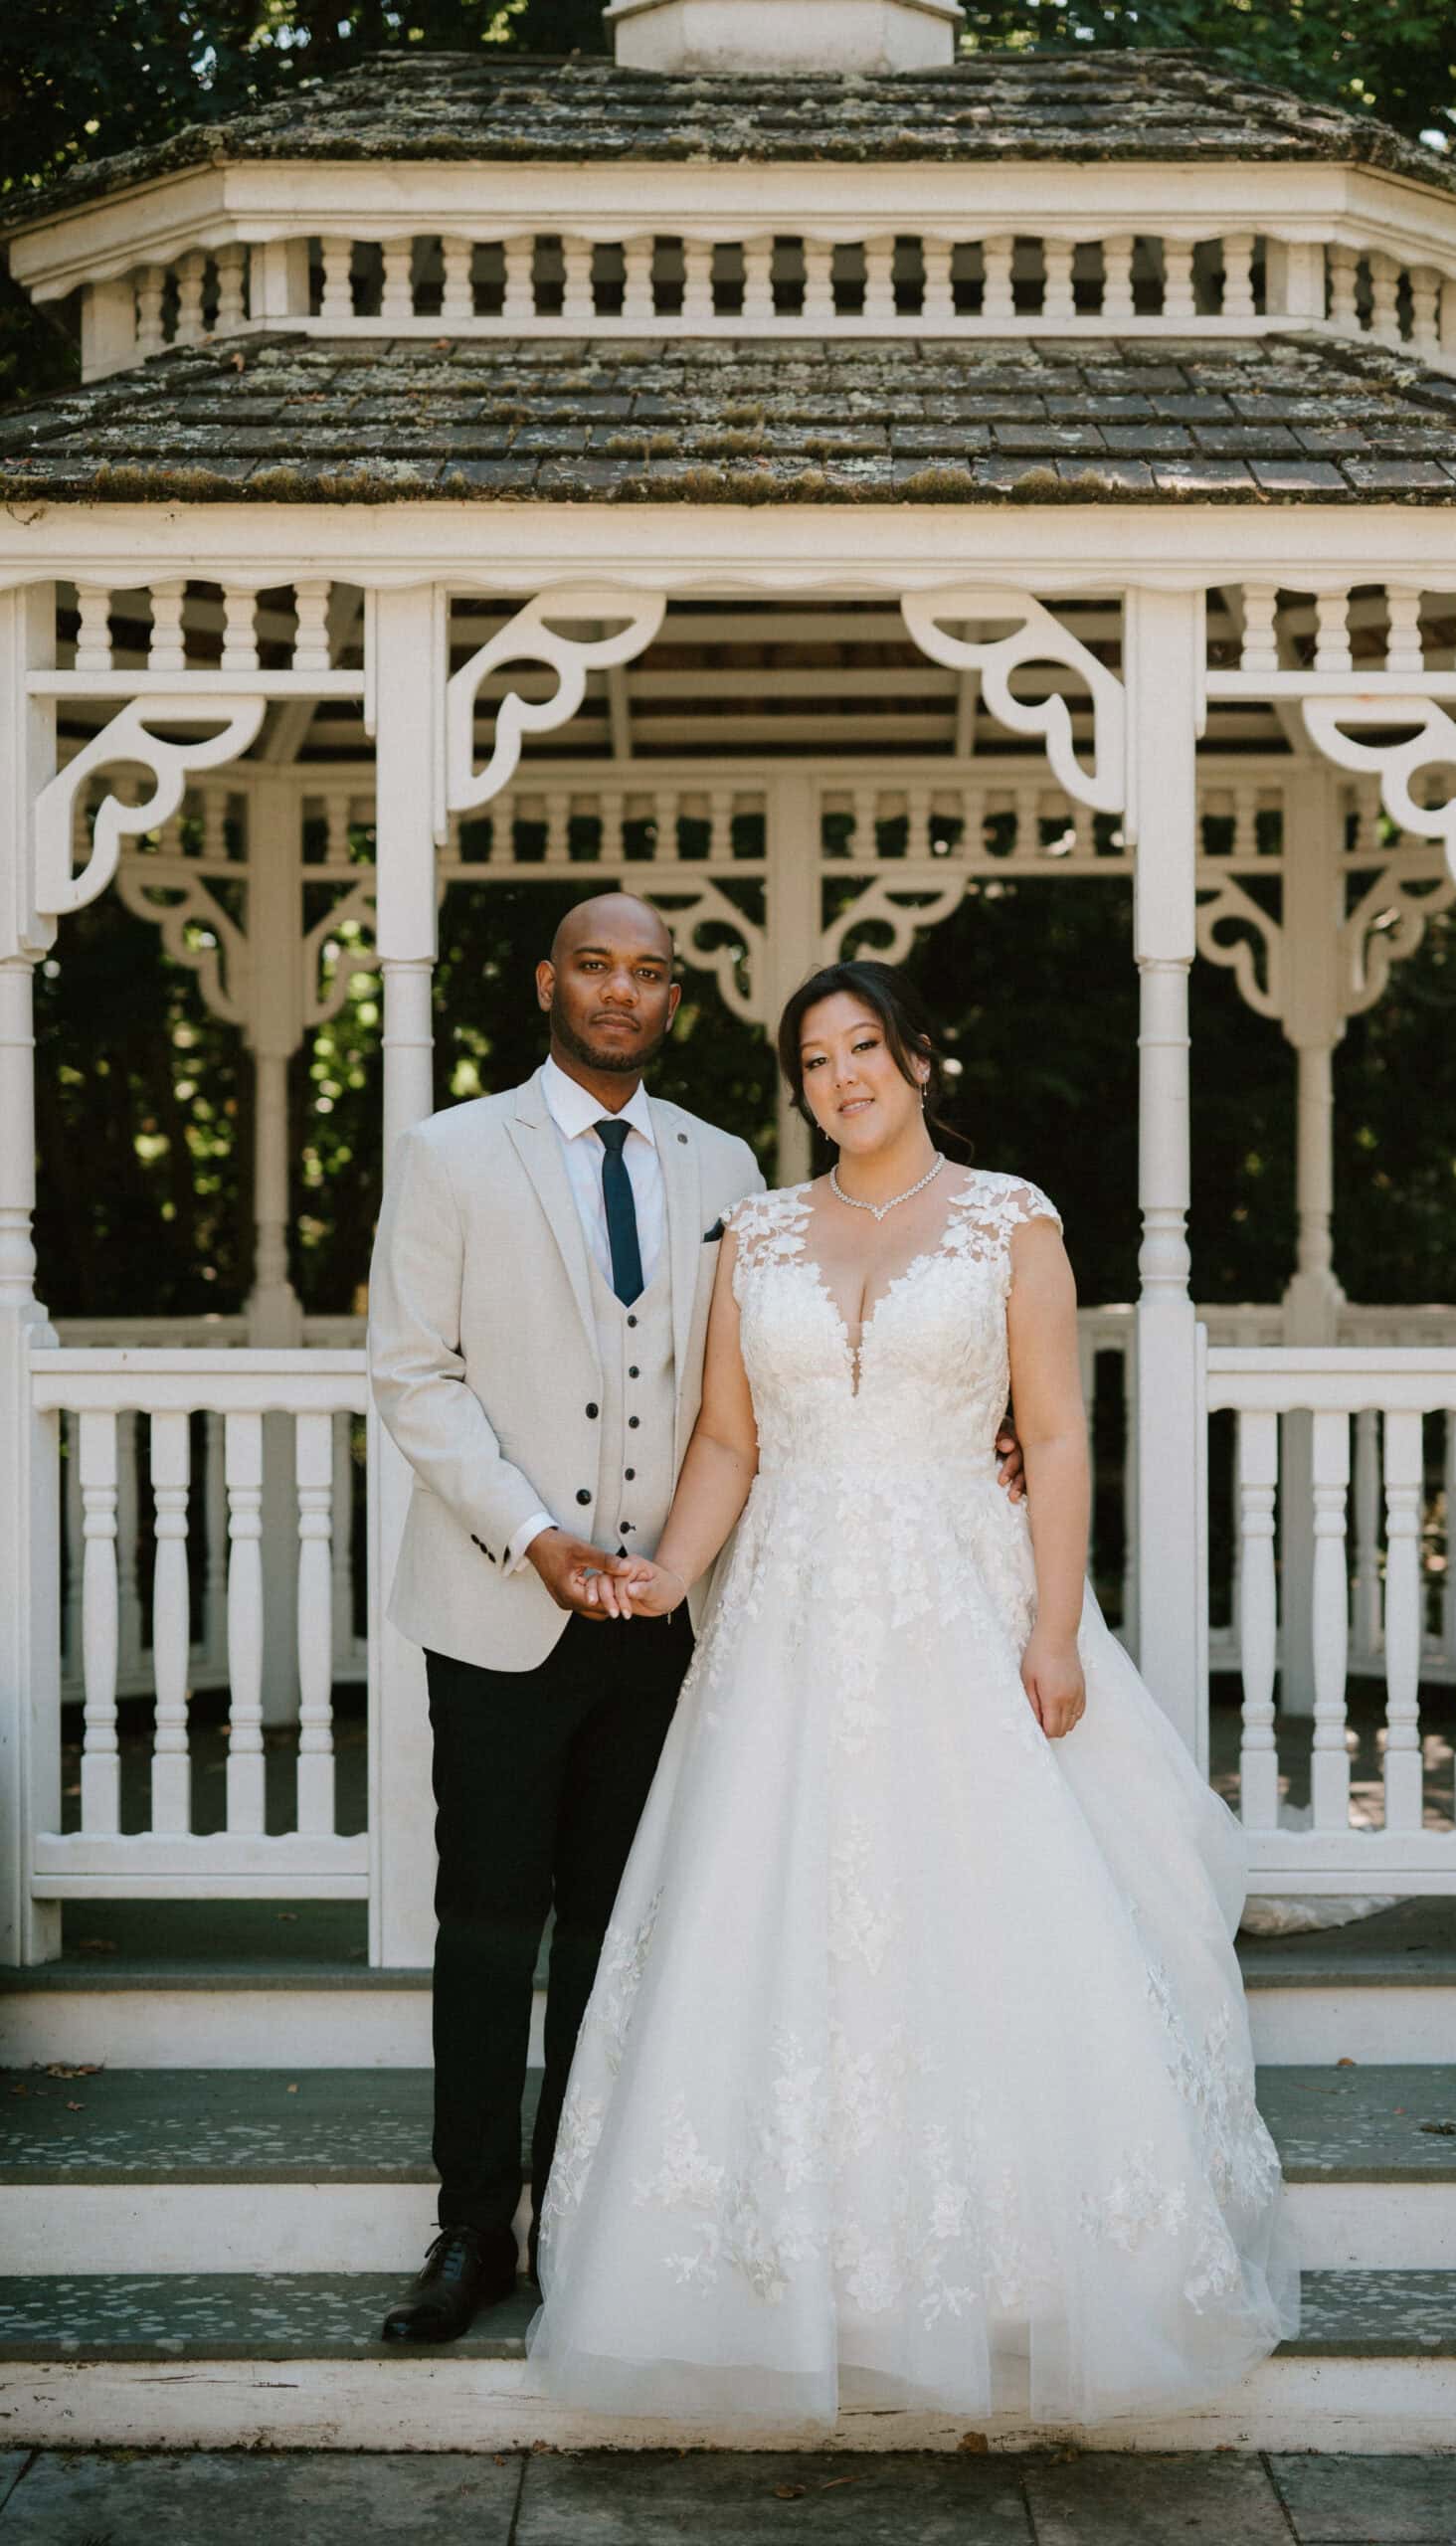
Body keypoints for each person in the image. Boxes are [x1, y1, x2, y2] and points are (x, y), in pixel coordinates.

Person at [524, 958, 1300, 2429]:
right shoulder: (753, 1234)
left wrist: (1057, 1632)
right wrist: (660, 1574)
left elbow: (1058, 1437)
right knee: (788, 1927)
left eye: (864, 1048)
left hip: (964, 1595)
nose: (843, 1080)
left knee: (984, 1913)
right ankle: (790, 2275)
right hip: (789, 1624)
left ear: (919, 1057)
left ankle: (1015, 2275)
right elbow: (728, 1446)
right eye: (814, 1061)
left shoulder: (1012, 1220)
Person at [367, 896, 1030, 2343]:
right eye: (595, 966)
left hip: (677, 1611)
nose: (621, 992)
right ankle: (469, 2229)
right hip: (501, 1596)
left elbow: (768, 1390)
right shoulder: (449, 1153)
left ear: (676, 1001)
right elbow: (415, 1376)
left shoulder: (729, 1169)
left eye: (650, 974)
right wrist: (535, 1534)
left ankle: (582, 2216)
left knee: (626, 1926)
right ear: (549, 982)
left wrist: (984, 1430)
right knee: (487, 1922)